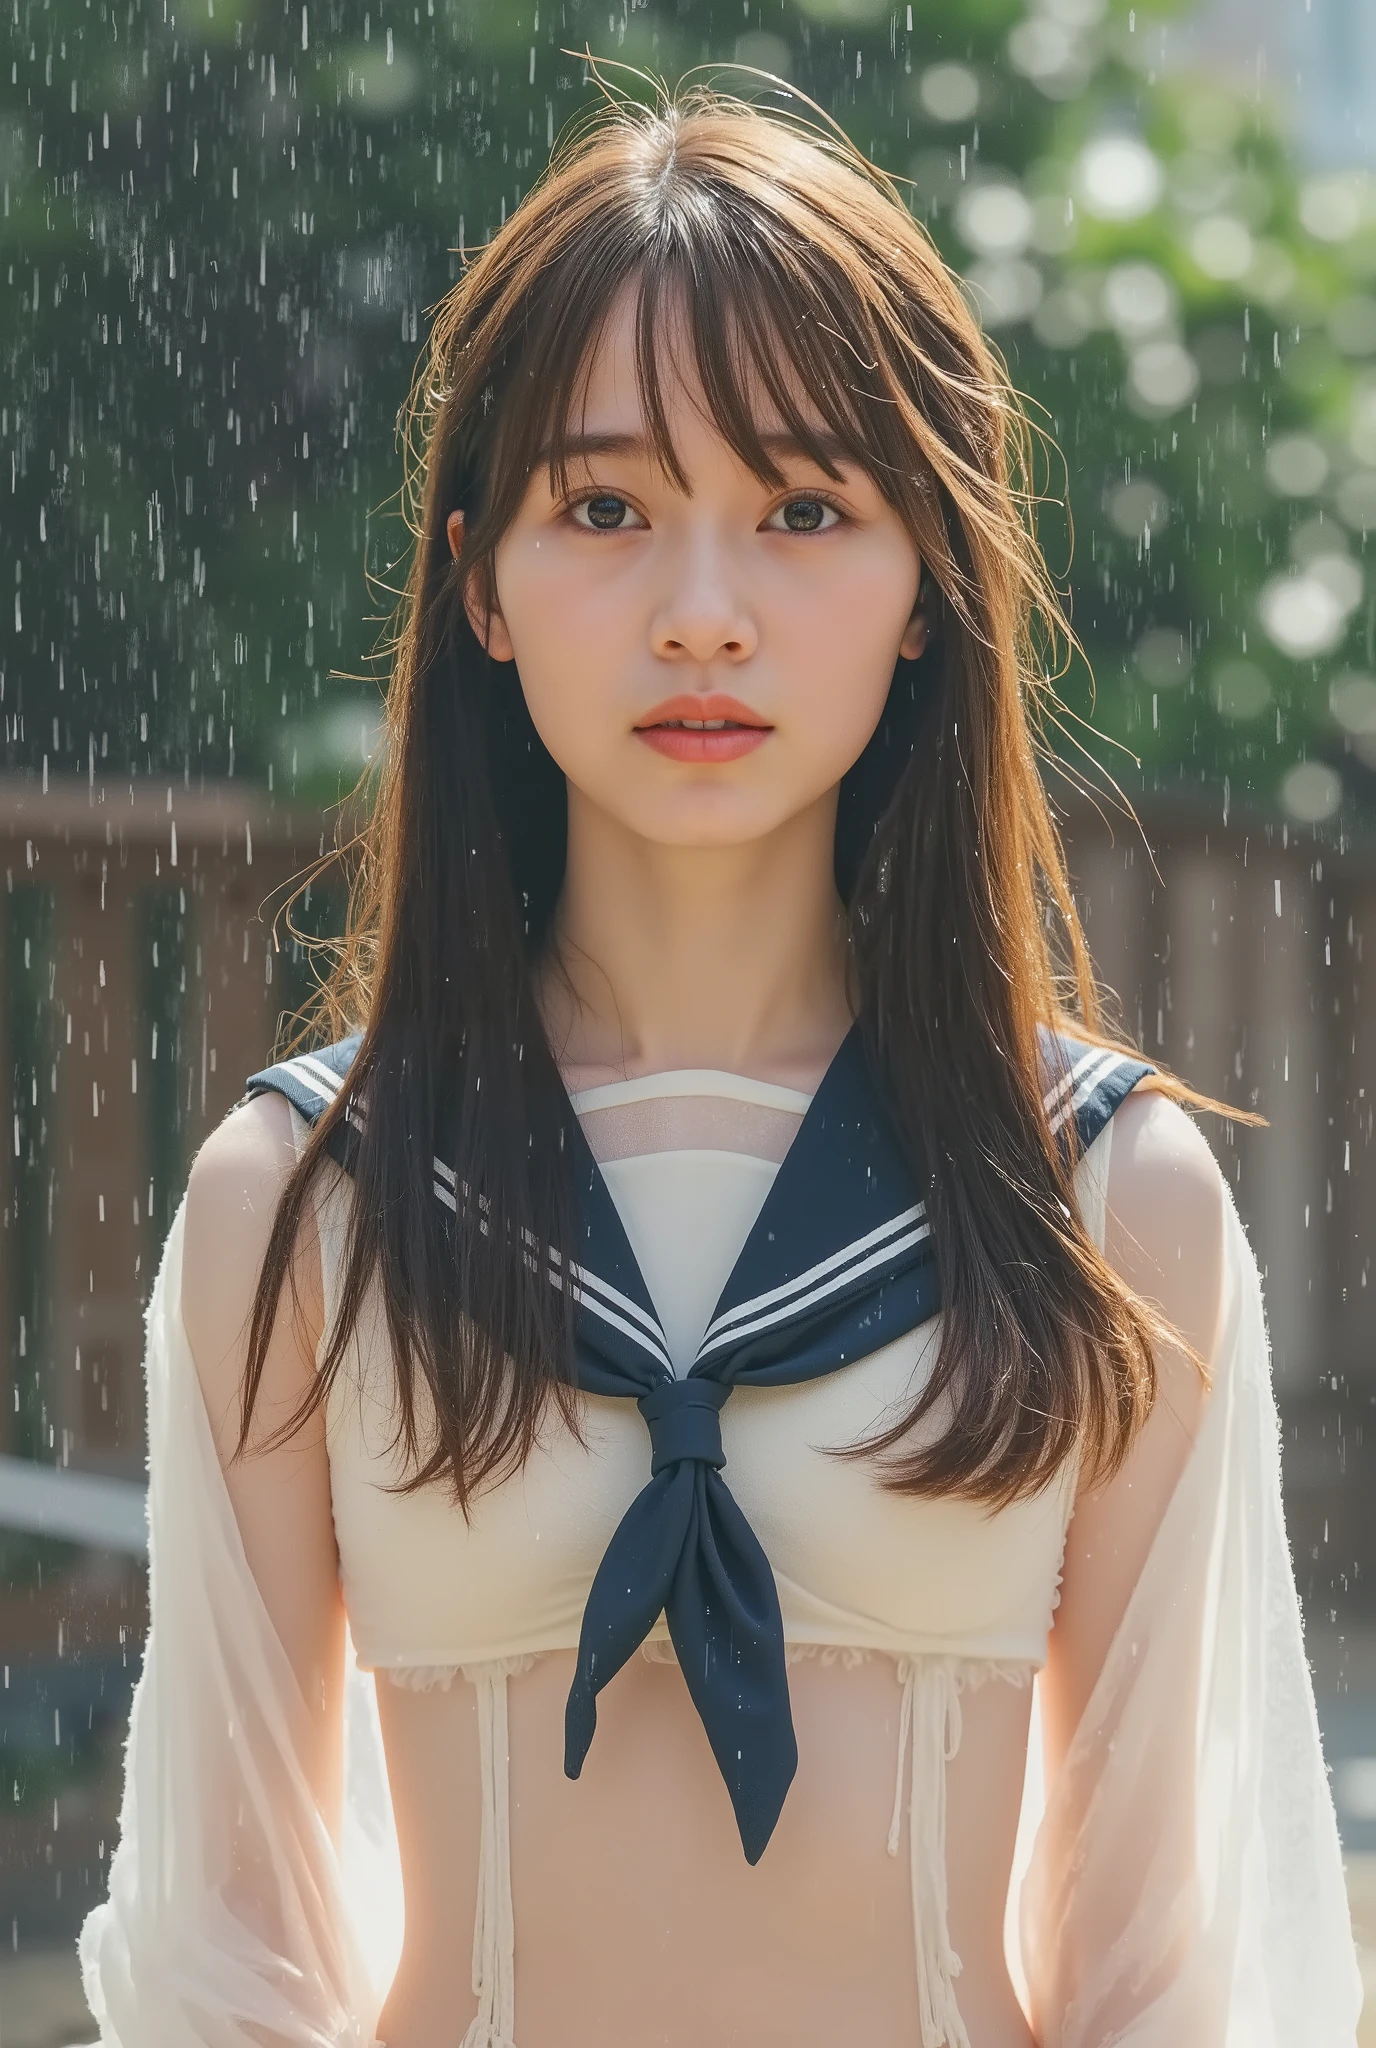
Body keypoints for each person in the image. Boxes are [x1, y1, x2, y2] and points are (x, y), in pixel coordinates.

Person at [75, 83, 1360, 2048]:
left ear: (925, 583)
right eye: (602, 507)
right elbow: (224, 1975)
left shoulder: (1106, 1200)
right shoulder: (308, 1201)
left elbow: (1162, 1985)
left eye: (803, 510)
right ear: (480, 581)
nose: (700, 613)